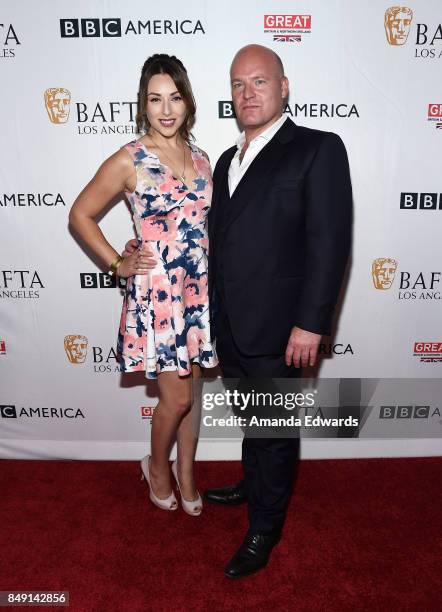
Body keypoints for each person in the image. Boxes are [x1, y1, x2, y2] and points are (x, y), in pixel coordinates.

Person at [124, 44, 352, 579]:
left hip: (284, 329)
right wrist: (130, 253)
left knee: (274, 430)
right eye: (238, 85)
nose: (248, 94)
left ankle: (265, 527)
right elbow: (204, 238)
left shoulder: (318, 149)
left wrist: (312, 322)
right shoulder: (224, 160)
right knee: (255, 423)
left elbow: (330, 242)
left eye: (260, 82)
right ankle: (253, 487)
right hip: (228, 324)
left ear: (284, 86)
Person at [69, 54, 217, 517]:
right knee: (174, 397)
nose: (166, 109)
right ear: (143, 105)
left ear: (188, 102)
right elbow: (80, 214)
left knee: (190, 392)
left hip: (197, 291)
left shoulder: (201, 157)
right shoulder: (129, 158)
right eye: (156, 99)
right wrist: (117, 262)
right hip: (159, 295)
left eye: (174, 97)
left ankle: (187, 474)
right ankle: (157, 466)